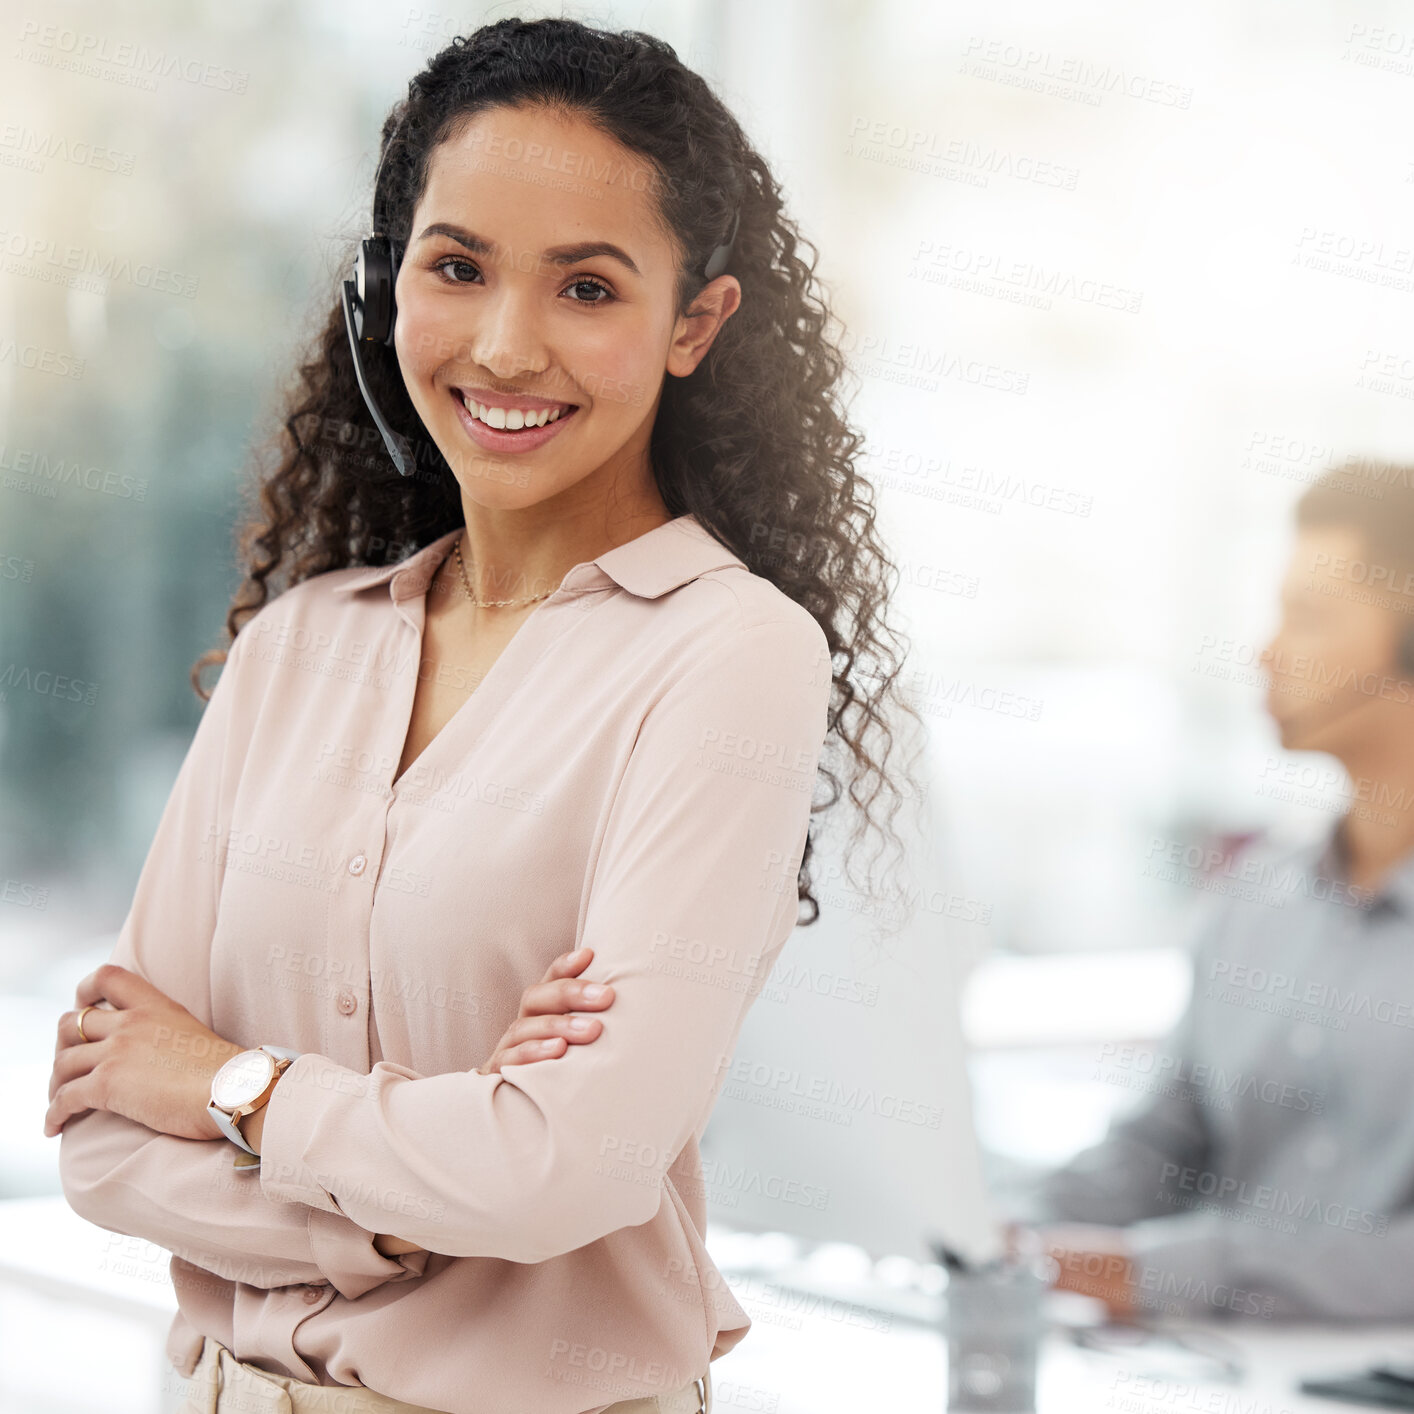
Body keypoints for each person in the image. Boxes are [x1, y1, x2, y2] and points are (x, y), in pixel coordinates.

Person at [41, 18, 923, 1414]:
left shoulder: (727, 653)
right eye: (458, 268)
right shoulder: (296, 650)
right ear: (391, 289)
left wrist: (226, 1086)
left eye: (586, 285)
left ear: (693, 322)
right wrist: (394, 1201)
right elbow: (98, 1135)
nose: (508, 347)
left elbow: (564, 1168)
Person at [1008, 459, 1414, 1323]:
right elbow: (1162, 1146)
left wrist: (1153, 1271)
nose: (1267, 652)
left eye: (1306, 617)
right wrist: (1012, 1225)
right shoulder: (1256, 900)